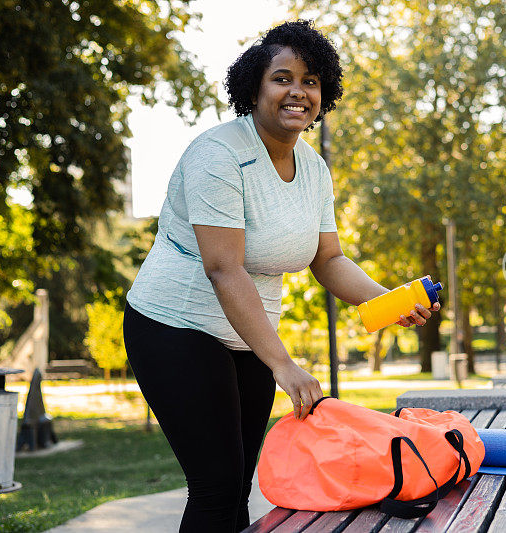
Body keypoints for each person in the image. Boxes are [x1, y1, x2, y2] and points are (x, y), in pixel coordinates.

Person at [122, 20, 440, 532]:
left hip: (248, 335)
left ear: (324, 95)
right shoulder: (219, 154)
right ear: (254, 87)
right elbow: (224, 268)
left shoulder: (313, 169)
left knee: (237, 488)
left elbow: (328, 260)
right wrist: (285, 365)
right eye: (282, 78)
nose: (298, 91)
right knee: (215, 487)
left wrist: (390, 299)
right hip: (174, 326)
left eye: (311, 81)